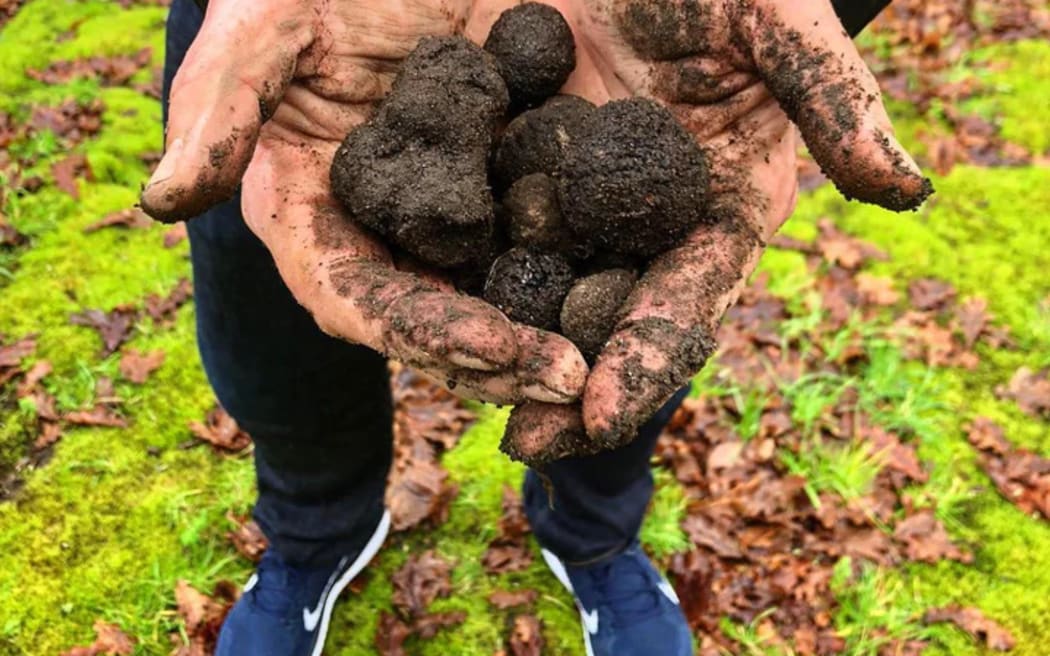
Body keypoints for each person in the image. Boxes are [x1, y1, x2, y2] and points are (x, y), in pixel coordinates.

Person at [147, 1, 927, 654]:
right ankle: (312, 534)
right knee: (270, 328)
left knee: (624, 350)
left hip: (651, 52)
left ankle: (594, 535)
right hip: (328, 50)